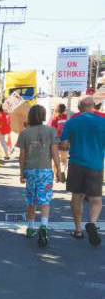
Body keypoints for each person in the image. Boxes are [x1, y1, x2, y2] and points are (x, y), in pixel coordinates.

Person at [60, 96, 105, 246]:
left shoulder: (72, 121)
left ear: (79, 108)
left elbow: (64, 145)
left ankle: (78, 230)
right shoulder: (103, 121)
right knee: (96, 200)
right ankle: (92, 223)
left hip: (76, 164)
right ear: (93, 106)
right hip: (96, 165)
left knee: (76, 198)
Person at [16, 105, 62, 247]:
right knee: (45, 199)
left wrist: (21, 172)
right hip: (45, 171)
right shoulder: (51, 131)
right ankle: (43, 225)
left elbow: (22, 155)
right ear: (43, 116)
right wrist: (59, 170)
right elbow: (55, 153)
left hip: (30, 170)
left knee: (31, 200)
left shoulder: (25, 133)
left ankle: (30, 228)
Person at [50, 104, 68, 181]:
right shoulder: (66, 118)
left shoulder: (54, 118)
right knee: (64, 160)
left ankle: (56, 176)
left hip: (55, 141)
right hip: (64, 140)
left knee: (55, 160)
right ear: (64, 110)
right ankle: (63, 171)